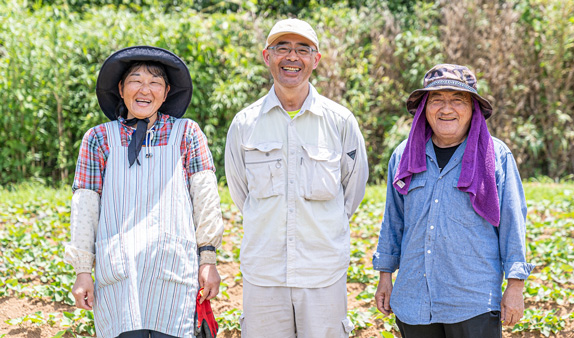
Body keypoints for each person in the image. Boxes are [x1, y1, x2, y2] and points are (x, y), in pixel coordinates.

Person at [64, 46, 224, 338]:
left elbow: (206, 199)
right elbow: (85, 207)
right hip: (119, 274)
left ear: (166, 93)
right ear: (121, 88)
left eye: (155, 82)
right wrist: (83, 270)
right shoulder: (98, 139)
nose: (144, 89)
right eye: (136, 80)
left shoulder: (187, 134)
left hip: (173, 273)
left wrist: (208, 260)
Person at [224, 18, 369, 338]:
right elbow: (240, 191)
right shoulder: (245, 123)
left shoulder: (339, 121)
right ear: (266, 56)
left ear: (315, 60)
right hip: (263, 275)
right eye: (282, 48)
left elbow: (352, 192)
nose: (292, 57)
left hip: (323, 275)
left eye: (303, 49)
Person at [373, 64, 535, 338]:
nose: (446, 109)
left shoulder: (496, 156)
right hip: (414, 300)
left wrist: (516, 286)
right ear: (424, 107)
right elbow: (394, 220)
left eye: (457, 100)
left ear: (473, 108)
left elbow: (513, 223)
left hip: (472, 302)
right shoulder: (404, 156)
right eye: (436, 100)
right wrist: (385, 276)